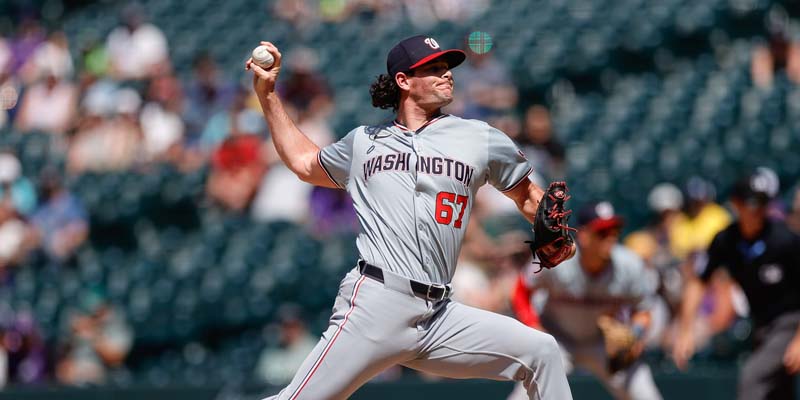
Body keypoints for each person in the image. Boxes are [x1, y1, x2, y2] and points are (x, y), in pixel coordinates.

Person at [247, 35, 573, 400]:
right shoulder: (364, 142)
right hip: (377, 303)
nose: (446, 75)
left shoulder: (478, 137)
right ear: (403, 80)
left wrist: (557, 232)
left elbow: (529, 196)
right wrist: (269, 96)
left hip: (440, 315)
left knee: (542, 352)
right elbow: (306, 163)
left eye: (446, 68)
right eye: (433, 68)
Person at [510, 201, 662, 400]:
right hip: (557, 339)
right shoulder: (557, 257)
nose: (610, 238)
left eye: (614, 231)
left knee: (646, 395)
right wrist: (534, 327)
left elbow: (643, 310)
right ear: (583, 235)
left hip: (601, 343)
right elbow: (521, 290)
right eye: (602, 233)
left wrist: (636, 334)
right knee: (523, 398)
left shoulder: (630, 265)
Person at [673, 171, 800, 400]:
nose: (758, 210)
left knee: (752, 379)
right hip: (762, 324)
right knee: (779, 393)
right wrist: (685, 330)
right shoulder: (726, 240)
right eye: (752, 203)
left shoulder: (784, 239)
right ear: (736, 204)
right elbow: (698, 283)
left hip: (791, 323)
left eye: (763, 202)